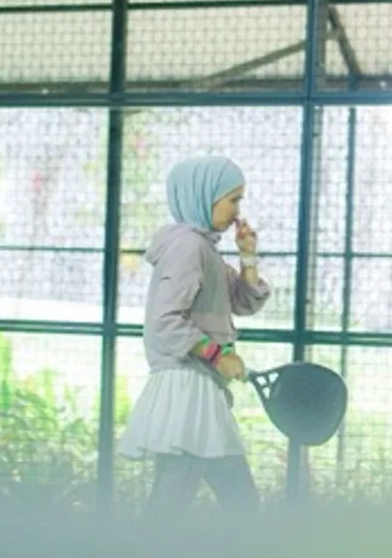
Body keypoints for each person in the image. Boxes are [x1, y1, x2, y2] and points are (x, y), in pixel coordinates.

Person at [118, 155, 271, 517]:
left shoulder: (205, 248)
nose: (238, 211)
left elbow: (244, 302)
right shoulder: (188, 247)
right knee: (173, 512)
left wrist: (248, 257)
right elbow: (165, 321)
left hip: (201, 387)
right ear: (203, 196)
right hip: (189, 389)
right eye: (232, 200)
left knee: (238, 505)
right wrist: (218, 355)